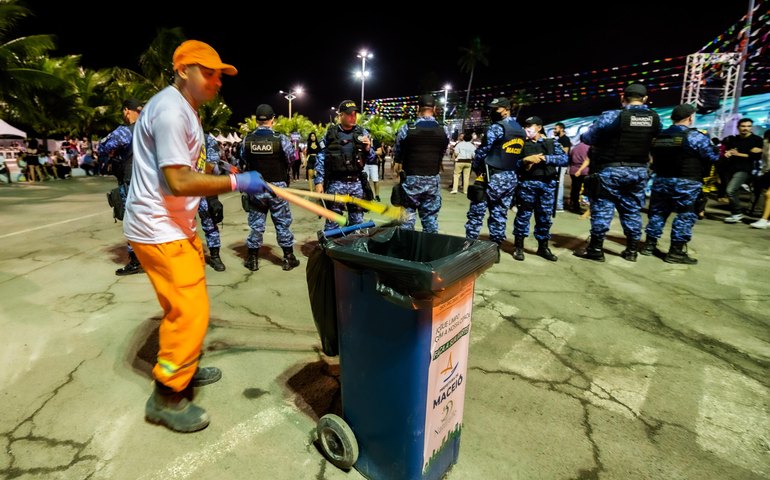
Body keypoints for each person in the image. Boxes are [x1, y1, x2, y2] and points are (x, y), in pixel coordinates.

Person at [123, 40, 271, 433]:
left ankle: (182, 368)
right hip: (158, 227)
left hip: (173, 225)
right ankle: (167, 396)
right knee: (190, 312)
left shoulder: (183, 108)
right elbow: (178, 180)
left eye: (219, 74)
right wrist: (237, 183)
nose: (216, 81)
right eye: (208, 73)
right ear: (183, 70)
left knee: (187, 306)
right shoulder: (171, 111)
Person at [574, 83, 661, 262]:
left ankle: (596, 249)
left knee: (603, 208)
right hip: (638, 171)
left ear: (623, 97)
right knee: (632, 210)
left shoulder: (612, 116)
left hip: (611, 170)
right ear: (645, 99)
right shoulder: (654, 118)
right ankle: (631, 250)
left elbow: (588, 138)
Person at [639, 104, 719, 264]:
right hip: (686, 182)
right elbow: (712, 157)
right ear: (690, 118)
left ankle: (649, 246)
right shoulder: (695, 136)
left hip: (661, 180)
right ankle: (676, 252)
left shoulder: (660, 136)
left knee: (657, 213)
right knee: (685, 214)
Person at [240, 104, 300, 271]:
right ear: (272, 119)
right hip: (277, 187)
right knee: (282, 223)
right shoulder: (280, 139)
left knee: (256, 224)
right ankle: (288, 258)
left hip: (255, 187)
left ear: (257, 120)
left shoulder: (248, 139)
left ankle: (252, 259)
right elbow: (291, 159)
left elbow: (243, 159)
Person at [465, 97, 524, 249]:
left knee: (476, 212)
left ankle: (469, 247)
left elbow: (484, 150)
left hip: (491, 176)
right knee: (499, 214)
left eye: (496, 109)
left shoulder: (497, 127)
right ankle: (495, 248)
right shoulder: (520, 129)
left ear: (506, 109)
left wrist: (476, 167)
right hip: (510, 178)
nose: (493, 111)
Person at [512, 116, 568, 261]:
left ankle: (543, 247)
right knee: (523, 216)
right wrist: (525, 160)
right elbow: (513, 164)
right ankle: (519, 247)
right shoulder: (522, 144)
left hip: (547, 185)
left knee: (544, 218)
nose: (528, 129)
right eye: (526, 126)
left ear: (539, 127)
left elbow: (564, 159)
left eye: (531, 126)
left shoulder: (551, 143)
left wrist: (545, 159)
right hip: (527, 184)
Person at [314, 100, 374, 230]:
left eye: (355, 114)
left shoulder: (362, 133)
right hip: (336, 183)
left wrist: (368, 148)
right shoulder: (330, 134)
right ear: (340, 115)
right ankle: (331, 248)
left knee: (357, 222)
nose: (353, 117)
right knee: (332, 222)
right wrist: (318, 182)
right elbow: (321, 157)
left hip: (356, 183)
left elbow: (372, 158)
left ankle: (353, 247)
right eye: (349, 114)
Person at [393, 94, 449, 232]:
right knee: (430, 220)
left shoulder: (408, 128)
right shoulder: (443, 129)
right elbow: (442, 151)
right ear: (434, 108)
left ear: (418, 108)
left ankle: (406, 249)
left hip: (411, 180)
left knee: (407, 219)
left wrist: (399, 162)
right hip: (432, 180)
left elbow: (398, 151)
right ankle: (430, 251)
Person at [101, 98, 144, 275]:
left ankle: (136, 261)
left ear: (127, 111)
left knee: (132, 223)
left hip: (133, 182)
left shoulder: (126, 132)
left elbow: (103, 146)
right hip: (157, 185)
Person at [721, 118, 764, 224]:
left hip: (746, 169)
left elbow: (757, 156)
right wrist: (728, 153)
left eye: (748, 126)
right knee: (732, 191)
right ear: (738, 127)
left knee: (730, 190)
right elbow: (729, 151)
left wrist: (739, 154)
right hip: (731, 168)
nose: (746, 128)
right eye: (743, 126)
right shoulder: (733, 139)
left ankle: (737, 213)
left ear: (751, 127)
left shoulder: (757, 140)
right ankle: (736, 213)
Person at [199, 133, 227, 271]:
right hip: (181, 190)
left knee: (210, 222)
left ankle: (215, 256)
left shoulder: (206, 139)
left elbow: (213, 166)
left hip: (203, 187)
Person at [552, 122, 572, 211]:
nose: (554, 130)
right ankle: (555, 203)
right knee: (555, 183)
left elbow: (565, 152)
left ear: (561, 129)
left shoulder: (565, 139)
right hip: (557, 164)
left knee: (559, 184)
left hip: (561, 165)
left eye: (556, 129)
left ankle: (559, 205)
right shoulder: (558, 139)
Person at [568, 141, 591, 213]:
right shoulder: (589, 148)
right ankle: (587, 207)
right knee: (587, 189)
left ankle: (575, 206)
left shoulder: (575, 148)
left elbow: (570, 158)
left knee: (575, 189)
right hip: (585, 171)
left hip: (573, 170)